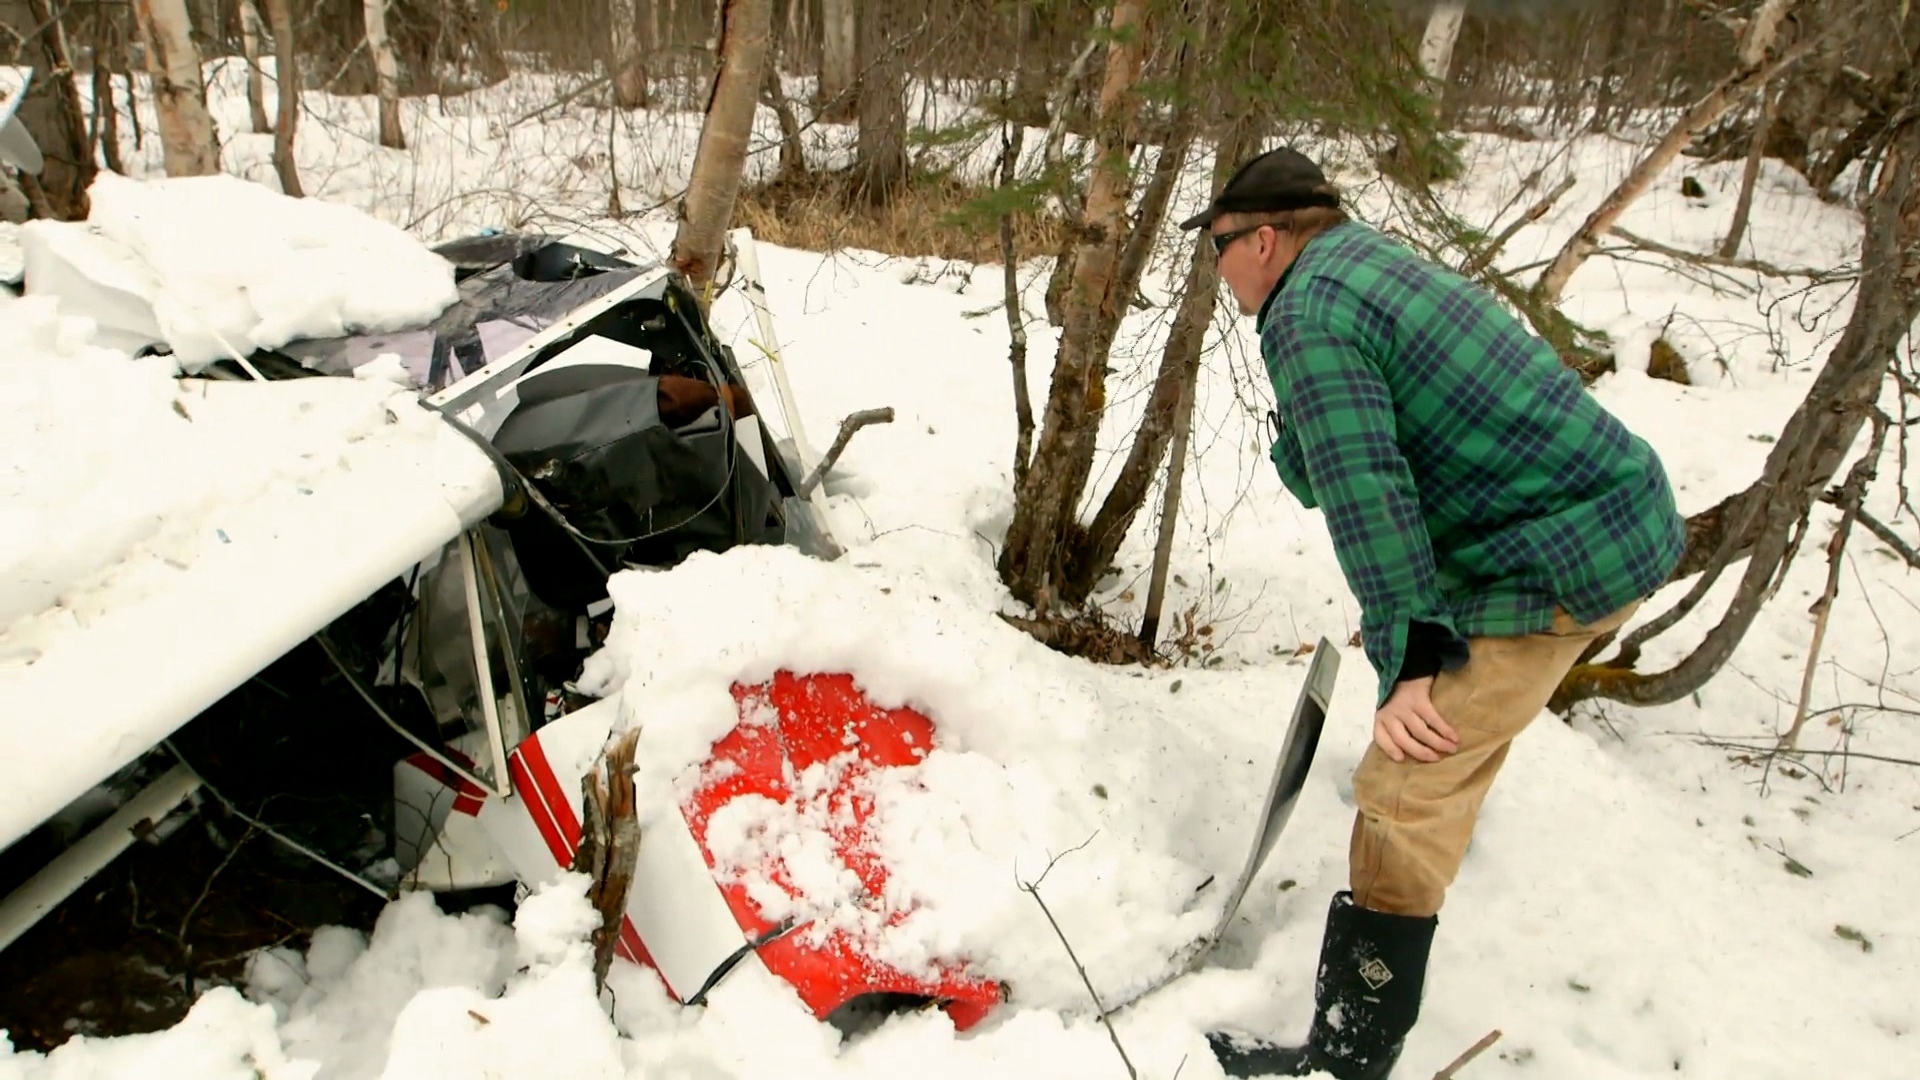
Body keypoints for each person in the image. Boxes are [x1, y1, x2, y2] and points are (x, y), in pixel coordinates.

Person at [1179, 148, 1686, 1079]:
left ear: (1261, 238)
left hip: (1564, 555)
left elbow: (1370, 493)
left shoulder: (1310, 316)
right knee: (1432, 753)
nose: (1213, 268)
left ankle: (1347, 1059)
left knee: (1406, 787)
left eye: (1215, 245)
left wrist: (1412, 658)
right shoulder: (1360, 264)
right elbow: (1356, 451)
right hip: (1601, 517)